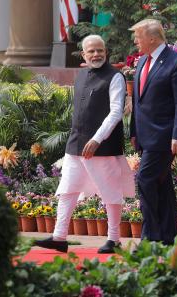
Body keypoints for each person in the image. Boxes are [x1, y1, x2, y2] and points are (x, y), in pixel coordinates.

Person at [35, 35, 135, 254]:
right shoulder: (80, 75)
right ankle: (60, 237)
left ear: (106, 52)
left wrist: (97, 139)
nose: (96, 54)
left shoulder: (115, 76)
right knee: (68, 190)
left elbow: (116, 112)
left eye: (100, 50)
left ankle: (114, 239)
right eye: (91, 51)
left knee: (110, 192)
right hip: (75, 145)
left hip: (103, 146)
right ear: (84, 55)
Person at [129, 19, 177, 245]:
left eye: (138, 36)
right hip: (145, 137)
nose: (136, 41)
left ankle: (150, 239)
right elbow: (138, 100)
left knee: (145, 180)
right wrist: (134, 132)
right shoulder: (142, 61)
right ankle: (168, 237)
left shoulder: (176, 63)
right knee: (161, 185)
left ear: (152, 38)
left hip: (165, 137)